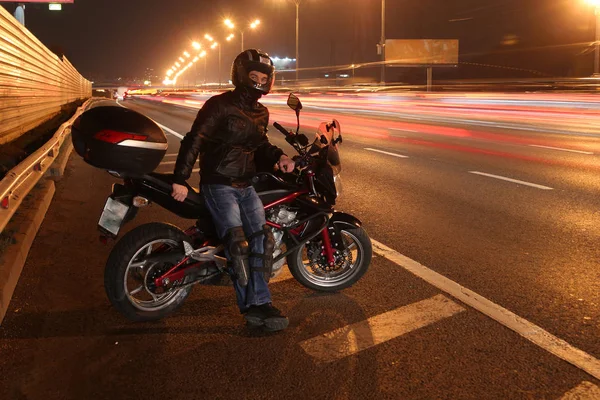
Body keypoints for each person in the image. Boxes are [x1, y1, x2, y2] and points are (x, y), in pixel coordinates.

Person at [171, 49, 295, 332]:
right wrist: (180, 178)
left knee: (263, 242)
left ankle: (261, 303)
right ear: (240, 75)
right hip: (219, 184)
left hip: (245, 185)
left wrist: (280, 157)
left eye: (264, 77)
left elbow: (260, 144)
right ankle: (250, 309)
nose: (259, 81)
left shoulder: (261, 111)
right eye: (253, 75)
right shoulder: (219, 105)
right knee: (238, 245)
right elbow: (195, 139)